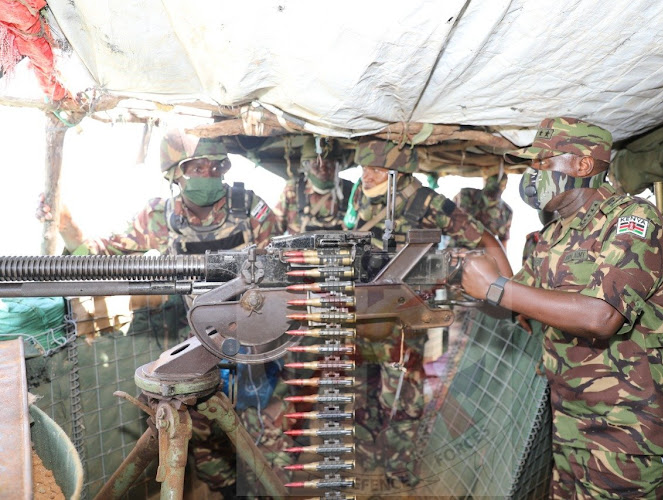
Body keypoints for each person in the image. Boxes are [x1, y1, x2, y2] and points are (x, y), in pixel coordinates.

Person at [460, 117, 663, 499]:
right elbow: (520, 301)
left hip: (629, 427)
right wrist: (466, 276)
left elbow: (601, 317)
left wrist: (497, 288)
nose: (532, 175)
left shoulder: (632, 219)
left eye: (542, 163)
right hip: (572, 421)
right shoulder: (554, 233)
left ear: (582, 166)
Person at [37, 129, 285, 498]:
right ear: (175, 173)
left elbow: (285, 267)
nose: (208, 174)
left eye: (215, 167)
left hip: (257, 345)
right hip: (204, 346)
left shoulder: (251, 209)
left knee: (265, 434)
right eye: (196, 167)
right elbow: (104, 252)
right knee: (204, 437)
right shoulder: (160, 216)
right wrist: (68, 226)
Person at [346, 138, 512, 487]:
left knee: (403, 397)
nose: (366, 175)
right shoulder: (364, 196)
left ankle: (399, 470)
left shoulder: (429, 202)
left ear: (398, 171)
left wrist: (510, 293)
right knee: (364, 390)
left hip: (403, 319)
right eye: (363, 168)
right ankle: (370, 460)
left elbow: (487, 242)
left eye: (375, 169)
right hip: (364, 315)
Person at [274, 135, 353, 234]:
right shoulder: (293, 190)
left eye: (329, 164)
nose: (323, 170)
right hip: (300, 249)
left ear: (337, 166)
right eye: (316, 164)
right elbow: (274, 230)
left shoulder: (350, 190)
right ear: (306, 167)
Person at [452, 167, 513, 247]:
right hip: (459, 248)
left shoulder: (467, 193)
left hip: (479, 252)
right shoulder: (507, 210)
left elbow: (503, 242)